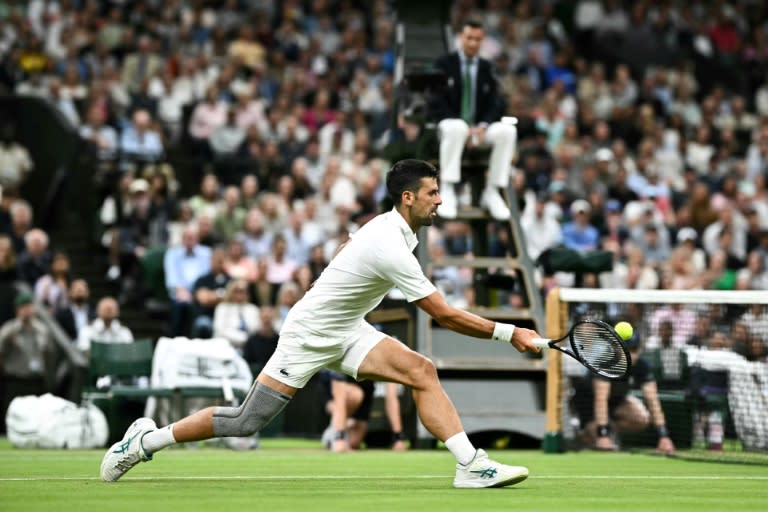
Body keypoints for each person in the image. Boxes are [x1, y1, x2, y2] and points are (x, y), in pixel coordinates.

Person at [100, 159, 541, 488]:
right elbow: (442, 313)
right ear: (408, 197)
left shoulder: (396, 230)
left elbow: (343, 256)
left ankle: (470, 465)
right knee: (245, 421)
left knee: (420, 370)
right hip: (308, 336)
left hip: (348, 328)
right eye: (432, 193)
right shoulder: (389, 243)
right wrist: (510, 332)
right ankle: (144, 442)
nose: (440, 200)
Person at [430, 20, 516, 220]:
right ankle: (448, 188)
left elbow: (496, 103)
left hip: (478, 130)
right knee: (457, 127)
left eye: (477, 39)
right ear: (461, 37)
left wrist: (483, 126)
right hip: (448, 127)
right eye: (469, 38)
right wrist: (464, 127)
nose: (472, 43)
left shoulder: (487, 68)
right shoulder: (444, 64)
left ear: (482, 41)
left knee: (507, 131)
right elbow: (434, 100)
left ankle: (492, 190)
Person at [574, 333, 676, 455]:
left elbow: (653, 400)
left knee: (642, 419)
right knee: (595, 439)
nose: (631, 355)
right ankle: (585, 432)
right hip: (589, 407)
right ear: (617, 349)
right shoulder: (605, 362)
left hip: (617, 403)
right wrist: (603, 434)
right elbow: (600, 400)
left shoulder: (642, 366)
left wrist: (664, 436)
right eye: (627, 350)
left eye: (634, 350)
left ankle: (609, 429)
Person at [321, 370, 407, 453]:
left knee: (354, 443)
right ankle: (335, 430)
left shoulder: (385, 359)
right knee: (355, 394)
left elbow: (391, 397)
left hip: (366, 389)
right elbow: (339, 397)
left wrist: (398, 438)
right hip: (338, 389)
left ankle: (345, 425)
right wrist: (339, 437)